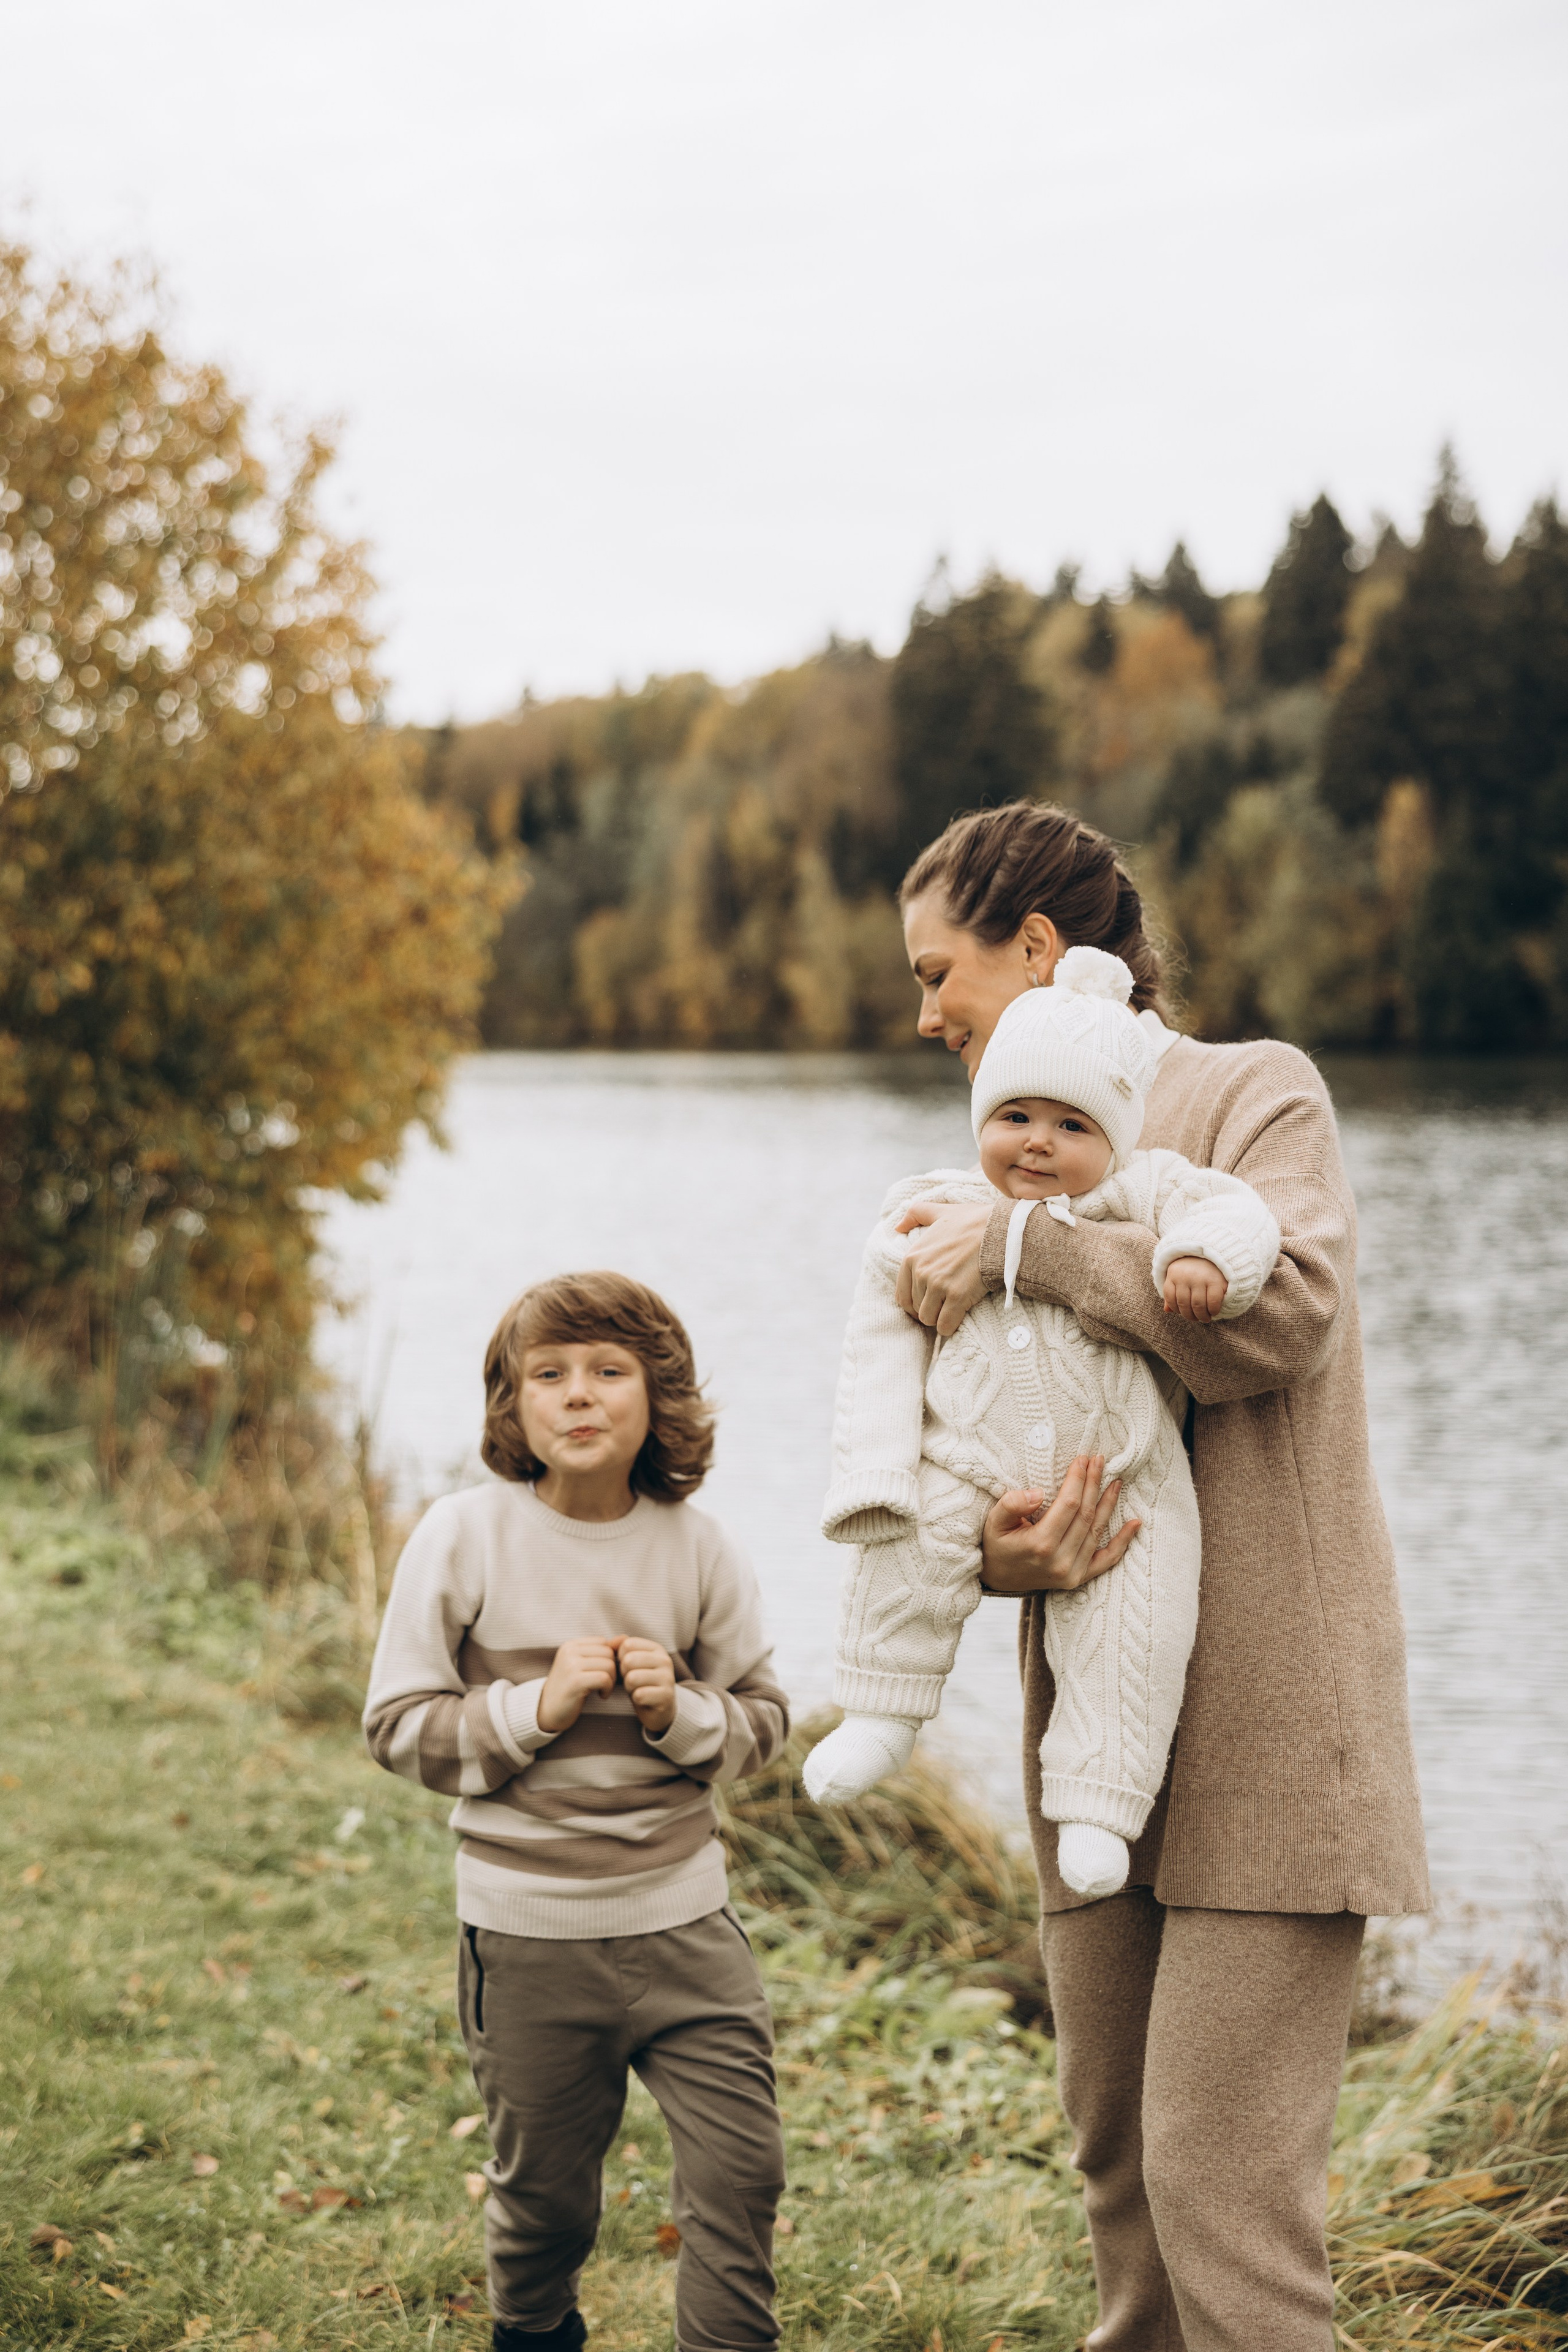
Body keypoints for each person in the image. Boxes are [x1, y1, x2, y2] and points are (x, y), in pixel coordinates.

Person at [887, 802, 1428, 2352]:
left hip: (1273, 1729)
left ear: (1040, 951)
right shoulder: (1007, 1155)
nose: (923, 1014)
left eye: (940, 974)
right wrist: (988, 1555)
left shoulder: (1253, 1093)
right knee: (1122, 2181)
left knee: (1220, 2205)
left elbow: (1282, 1317)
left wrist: (1028, 1248)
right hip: (1100, 1751)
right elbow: (978, 1442)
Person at [363, 1272, 789, 2352]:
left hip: (688, 1929)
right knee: (548, 2202)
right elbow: (397, 1725)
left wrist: (682, 1715)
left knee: (742, 2178)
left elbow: (765, 1721)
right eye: (547, 1376)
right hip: (528, 1937)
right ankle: (535, 2332)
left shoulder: (698, 1546)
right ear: (512, 1406)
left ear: (659, 1399)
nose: (579, 1396)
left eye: (609, 1371)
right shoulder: (463, 1538)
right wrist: (530, 1710)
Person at [802, 944, 1280, 1909]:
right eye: (1015, 1116)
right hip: (963, 1461)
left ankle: (1101, 1802)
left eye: (1071, 1125)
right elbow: (877, 1342)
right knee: (907, 1550)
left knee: (1137, 1623)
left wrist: (1205, 1259)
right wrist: (873, 1471)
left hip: (1121, 1473)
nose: (1036, 1143)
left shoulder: (1137, 1191)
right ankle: (879, 1711)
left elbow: (1234, 1210)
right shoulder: (933, 1209)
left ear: (1116, 1137)